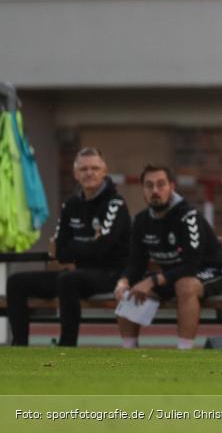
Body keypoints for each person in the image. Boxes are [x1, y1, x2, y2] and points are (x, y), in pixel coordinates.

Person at [6, 148, 130, 347]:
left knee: (68, 279)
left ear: (104, 171)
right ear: (75, 174)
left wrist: (75, 247)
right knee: (16, 282)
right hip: (78, 275)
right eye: (84, 169)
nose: (89, 173)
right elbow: (60, 253)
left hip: (110, 275)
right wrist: (88, 244)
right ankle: (19, 345)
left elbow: (102, 248)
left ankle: (67, 345)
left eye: (95, 168)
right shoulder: (70, 206)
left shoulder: (115, 204)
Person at [114, 165, 222, 350]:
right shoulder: (141, 220)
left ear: (172, 187)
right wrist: (123, 282)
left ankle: (184, 351)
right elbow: (136, 264)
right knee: (131, 291)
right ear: (143, 189)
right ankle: (129, 350)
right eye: (149, 185)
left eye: (161, 184)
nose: (155, 190)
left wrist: (152, 281)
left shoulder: (188, 216)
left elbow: (191, 265)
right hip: (174, 276)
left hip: (216, 273)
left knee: (185, 285)